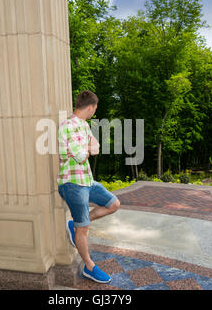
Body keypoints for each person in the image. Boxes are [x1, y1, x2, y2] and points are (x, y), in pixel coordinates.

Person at [57, 90, 121, 284]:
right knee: (83, 230)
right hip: (73, 184)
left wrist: (90, 148)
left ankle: (76, 225)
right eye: (95, 109)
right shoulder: (68, 126)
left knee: (114, 204)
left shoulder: (84, 125)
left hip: (87, 180)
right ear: (91, 107)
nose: (95, 112)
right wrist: (90, 148)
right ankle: (89, 266)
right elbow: (82, 155)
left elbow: (97, 147)